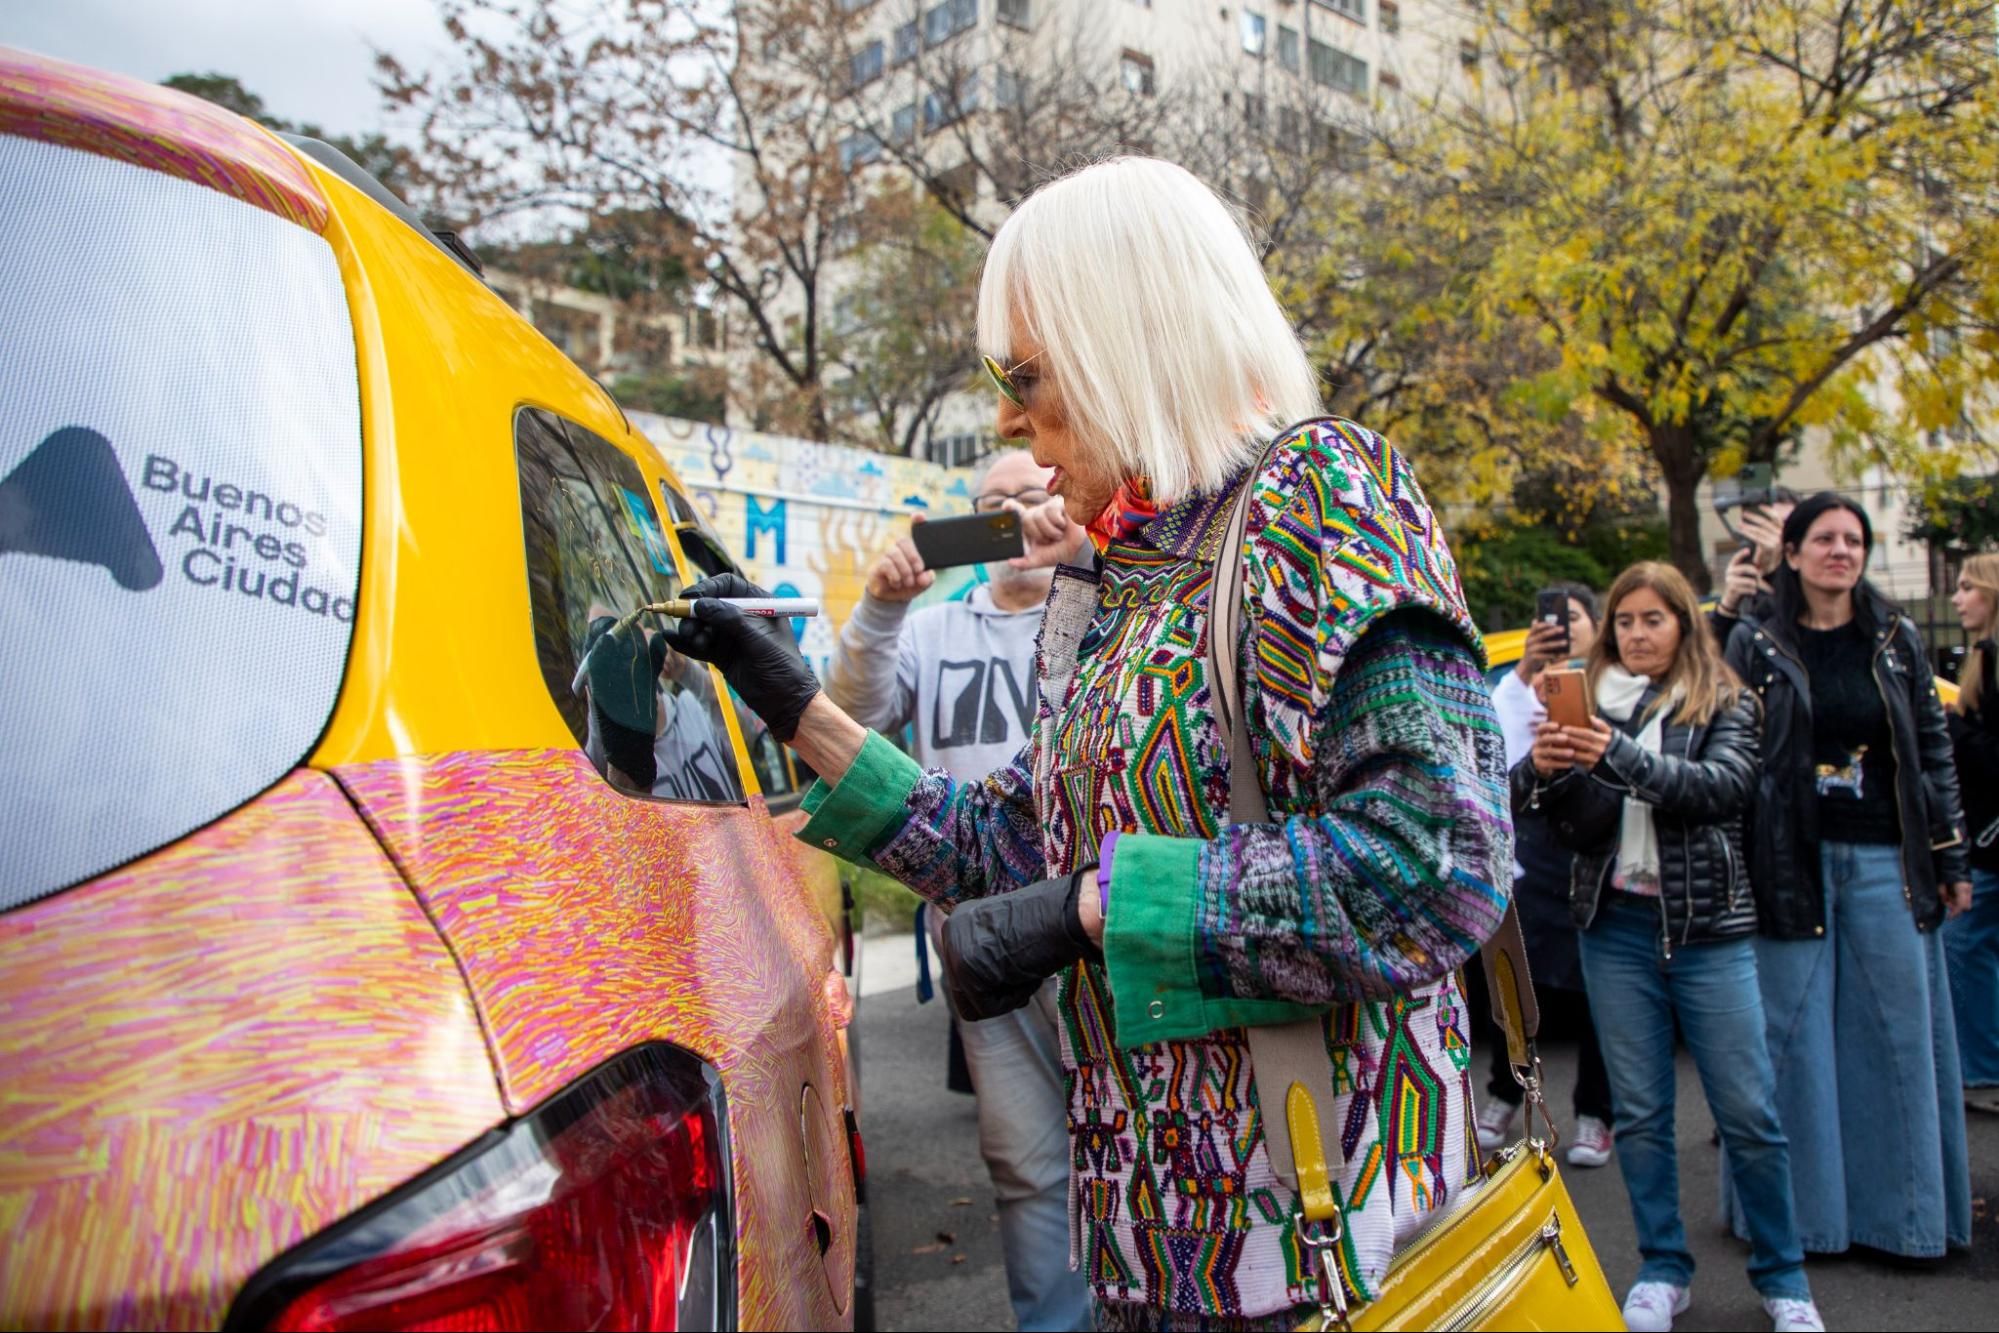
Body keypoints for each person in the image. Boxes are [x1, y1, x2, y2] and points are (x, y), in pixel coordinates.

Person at [665, 157, 1512, 1329]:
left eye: (1025, 375)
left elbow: (1435, 864)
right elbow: (1010, 838)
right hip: (1151, 1252)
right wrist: (798, 706)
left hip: (1322, 1256)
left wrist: (1093, 912)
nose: (1007, 417)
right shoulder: (1122, 570)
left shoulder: (1321, 490)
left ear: (1129, 332)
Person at [821, 448, 1093, 1333]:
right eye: (991, 505)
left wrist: (1087, 559)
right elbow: (855, 722)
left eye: (1030, 497)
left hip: (1096, 918)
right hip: (979, 933)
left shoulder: (1100, 600)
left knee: (1141, 1135)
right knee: (1022, 1156)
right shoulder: (934, 629)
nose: (1013, 516)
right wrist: (880, 606)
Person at [1515, 562, 1820, 1333]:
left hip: (1708, 930)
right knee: (1643, 1114)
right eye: (1624, 621)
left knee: (1747, 1111)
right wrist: (1542, 767)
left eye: (1653, 618)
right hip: (1611, 928)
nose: (1637, 633)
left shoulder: (1723, 700)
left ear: (1683, 622)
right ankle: (1661, 1267)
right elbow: (1529, 799)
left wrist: (1607, 752)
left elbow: (1717, 788)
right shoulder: (1581, 698)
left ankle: (1783, 1277)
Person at [1723, 492, 1973, 1260]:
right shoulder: (1752, 641)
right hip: (1784, 860)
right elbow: (1725, 750)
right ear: (1790, 553)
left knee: (1895, 1039)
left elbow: (1932, 751)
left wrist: (1949, 854)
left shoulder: (1894, 638)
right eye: (1824, 538)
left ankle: (1902, 1222)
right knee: (1789, 1042)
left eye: (1853, 539)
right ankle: (1799, 1224)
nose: (1842, 550)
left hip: (1883, 862)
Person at [1478, 584, 1616, 1168]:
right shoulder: (1513, 690)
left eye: (1573, 619)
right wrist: (1527, 672)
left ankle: (1594, 1114)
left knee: (1596, 997)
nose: (1559, 629)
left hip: (1589, 857)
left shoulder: (1615, 685)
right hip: (1529, 862)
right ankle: (1506, 1092)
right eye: (1547, 621)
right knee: (1515, 989)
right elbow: (1495, 761)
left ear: (1596, 627)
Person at [1945, 553, 1999, 1113]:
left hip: (1988, 842)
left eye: (1967, 587)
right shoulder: (1982, 658)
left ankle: (1983, 1070)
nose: (1958, 598)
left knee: (1962, 943)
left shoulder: (1991, 661)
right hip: (1985, 837)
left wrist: (1956, 730)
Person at [1710, 489, 1799, 643]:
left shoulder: (1814, 587)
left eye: (1784, 525)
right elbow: (1711, 660)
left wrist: (1773, 578)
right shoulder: (1743, 576)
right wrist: (1727, 607)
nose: (1775, 535)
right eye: (1767, 525)